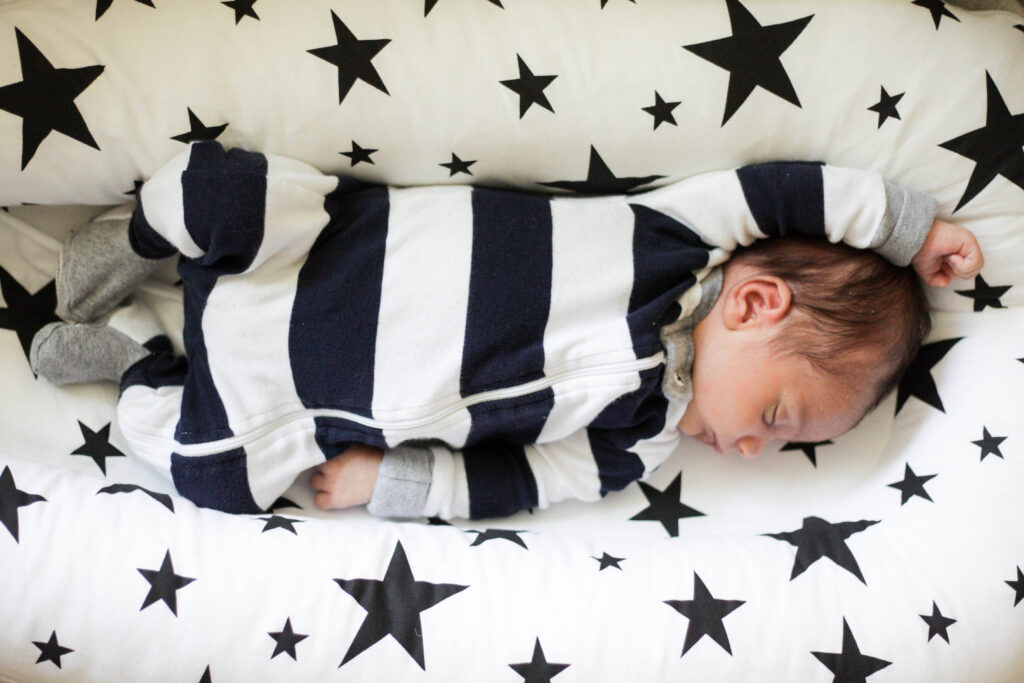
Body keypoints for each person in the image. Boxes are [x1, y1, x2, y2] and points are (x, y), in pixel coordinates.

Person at [30, 142, 983, 520]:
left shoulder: (635, 445)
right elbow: (784, 189)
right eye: (776, 413)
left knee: (206, 475)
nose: (747, 443)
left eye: (774, 446)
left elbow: (524, 481)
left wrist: (394, 481)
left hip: (290, 400)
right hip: (316, 252)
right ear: (756, 302)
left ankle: (135, 364)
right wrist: (910, 227)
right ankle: (145, 240)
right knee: (222, 186)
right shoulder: (678, 235)